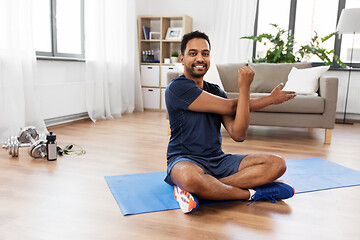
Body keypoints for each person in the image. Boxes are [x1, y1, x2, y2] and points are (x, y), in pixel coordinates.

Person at [165, 31, 296, 214]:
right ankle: (250, 193)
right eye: (193, 53)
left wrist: (245, 88)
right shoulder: (177, 88)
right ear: (182, 58)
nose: (200, 58)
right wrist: (269, 99)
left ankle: (202, 190)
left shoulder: (216, 91)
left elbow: (238, 134)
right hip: (185, 160)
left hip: (218, 160)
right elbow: (231, 106)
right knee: (189, 177)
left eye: (205, 53)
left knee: (277, 164)